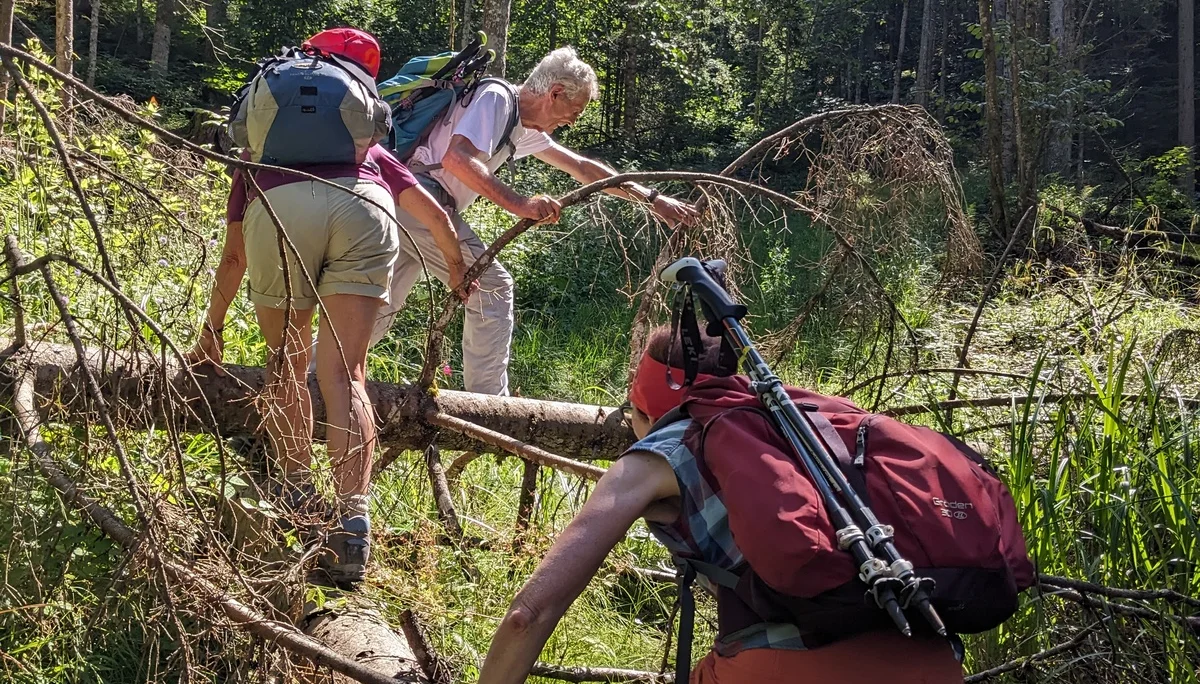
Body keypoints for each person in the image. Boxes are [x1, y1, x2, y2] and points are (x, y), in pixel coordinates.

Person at [475, 326, 965, 684]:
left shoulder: (659, 454)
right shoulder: (801, 426)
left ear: (645, 410)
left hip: (786, 667)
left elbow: (530, 613)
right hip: (935, 658)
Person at [186, 29, 472, 584]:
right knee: (347, 375)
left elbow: (233, 256)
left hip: (280, 203)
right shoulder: (373, 153)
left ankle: (296, 501)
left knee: (286, 364)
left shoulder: (259, 151)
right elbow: (436, 218)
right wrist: (459, 271)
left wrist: (212, 329)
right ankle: (352, 527)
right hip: (364, 208)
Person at [373, 46, 700, 395]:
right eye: (574, 110)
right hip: (418, 198)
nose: (573, 121)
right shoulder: (497, 98)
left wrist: (652, 199)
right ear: (554, 92)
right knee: (493, 287)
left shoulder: (521, 126)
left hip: (401, 198)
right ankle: (488, 410)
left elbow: (584, 168)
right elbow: (457, 159)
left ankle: (318, 377)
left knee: (381, 301)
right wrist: (520, 203)